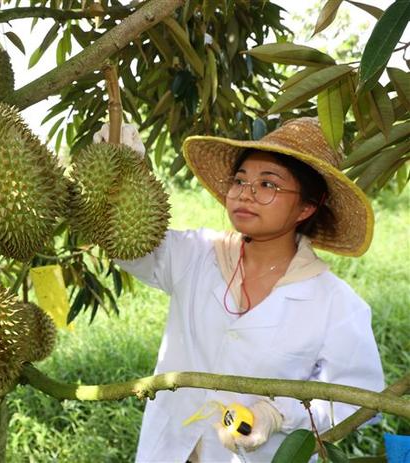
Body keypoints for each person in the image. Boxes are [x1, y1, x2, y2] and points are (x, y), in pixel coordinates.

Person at [96, 118, 385, 462]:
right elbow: (130, 246)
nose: (246, 193)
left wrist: (278, 414)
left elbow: (362, 400)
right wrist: (123, 178)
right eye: (240, 180)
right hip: (170, 450)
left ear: (306, 207)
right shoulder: (197, 253)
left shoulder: (336, 304)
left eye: (268, 184)